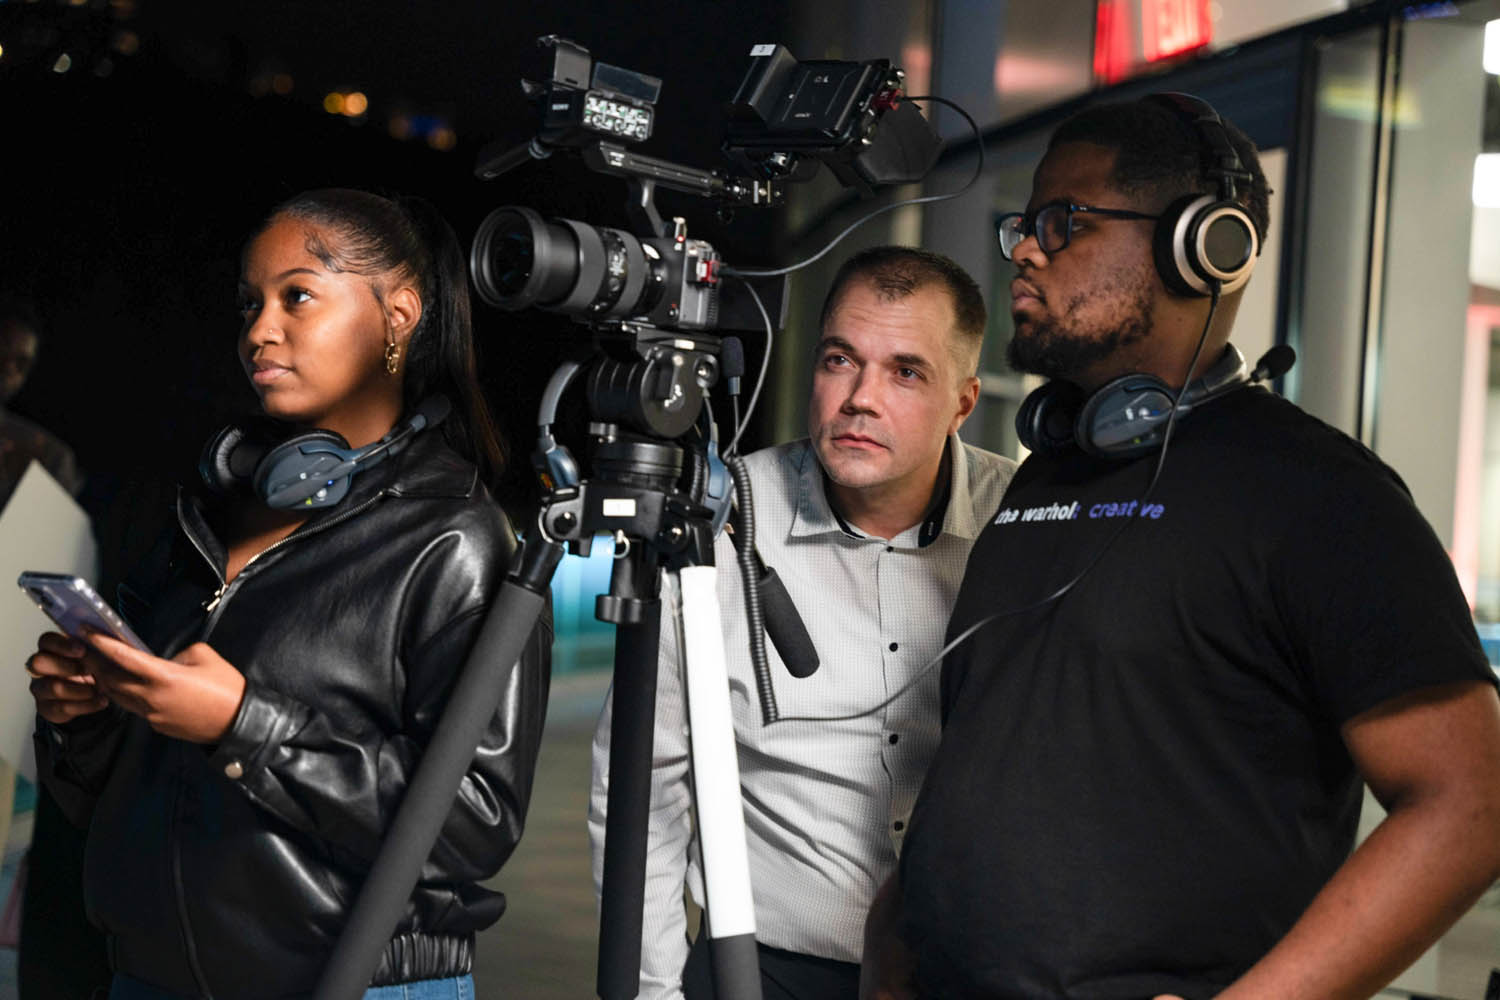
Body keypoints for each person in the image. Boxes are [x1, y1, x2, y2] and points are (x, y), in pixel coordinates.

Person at [863, 96, 1500, 1000]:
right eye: (1024, 225)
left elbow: (1471, 807)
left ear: (1201, 248)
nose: (1026, 251)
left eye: (1063, 221)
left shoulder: (1320, 496)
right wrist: (894, 942)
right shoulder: (1046, 476)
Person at [25, 188, 553, 1000]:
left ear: (398, 316)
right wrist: (86, 721)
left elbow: (473, 823)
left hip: (350, 984)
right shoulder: (202, 514)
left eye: (296, 296)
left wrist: (244, 725)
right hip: (149, 980)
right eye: (250, 303)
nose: (258, 330)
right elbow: (113, 800)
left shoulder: (455, 538)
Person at [589, 246, 1016, 999]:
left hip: (972, 974)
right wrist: (653, 993)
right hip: (762, 971)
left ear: (963, 402)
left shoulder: (1023, 525)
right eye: (839, 360)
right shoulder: (714, 523)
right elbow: (642, 790)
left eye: (905, 372)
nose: (860, 398)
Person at [0, 295, 85, 508]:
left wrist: (28, 484)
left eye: (21, 364)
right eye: (3, 350)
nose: (9, 367)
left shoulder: (49, 457)